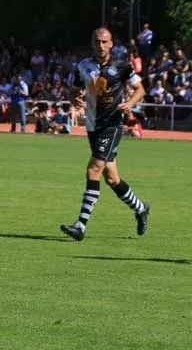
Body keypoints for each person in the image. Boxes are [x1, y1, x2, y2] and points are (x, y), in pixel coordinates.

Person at [60, 27, 149, 242]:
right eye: (97, 41)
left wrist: (130, 103)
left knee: (93, 170)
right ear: (92, 43)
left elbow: (141, 90)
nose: (101, 46)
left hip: (113, 124)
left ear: (111, 44)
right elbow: (73, 90)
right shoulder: (83, 66)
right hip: (93, 125)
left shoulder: (122, 66)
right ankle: (141, 208)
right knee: (112, 178)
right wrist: (74, 99)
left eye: (105, 42)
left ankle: (80, 225)